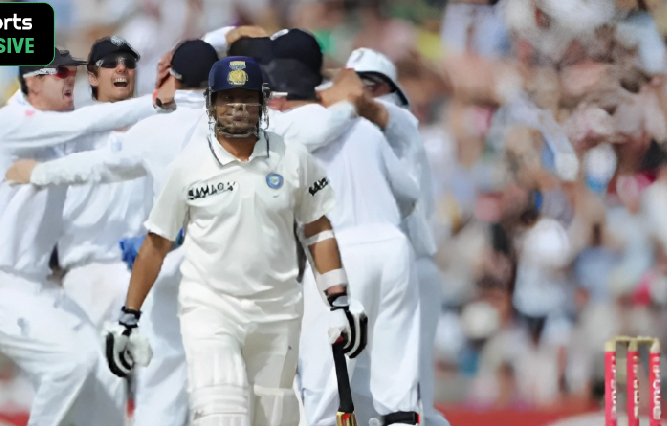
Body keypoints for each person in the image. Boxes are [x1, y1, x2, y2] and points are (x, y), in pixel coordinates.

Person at [104, 56, 367, 426]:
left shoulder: (292, 157)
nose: (238, 107)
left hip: (277, 311)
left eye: (247, 97)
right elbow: (156, 243)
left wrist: (339, 299)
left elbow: (318, 229)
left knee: (275, 418)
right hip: (211, 311)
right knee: (221, 413)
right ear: (211, 103)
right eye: (228, 98)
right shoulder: (189, 165)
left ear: (263, 102)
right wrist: (127, 319)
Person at [0, 47, 165, 426]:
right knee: (69, 364)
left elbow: (112, 161)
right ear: (33, 82)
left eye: (72, 71)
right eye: (59, 73)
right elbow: (89, 123)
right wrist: (157, 103)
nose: (70, 77)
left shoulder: (59, 135)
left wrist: (186, 105)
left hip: (37, 287)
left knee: (105, 369)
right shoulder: (9, 122)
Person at [262, 36, 423, 426]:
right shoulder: (365, 128)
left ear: (279, 99)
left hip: (337, 256)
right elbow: (408, 196)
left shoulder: (280, 130)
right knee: (398, 390)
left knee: (324, 386)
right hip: (393, 246)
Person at [346, 48, 450, 426]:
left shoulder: (400, 119)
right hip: (373, 266)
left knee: (412, 395)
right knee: (360, 389)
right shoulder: (350, 126)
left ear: (380, 86)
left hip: (411, 267)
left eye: (359, 84)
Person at [56, 36, 147, 330]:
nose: (121, 68)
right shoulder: (73, 132)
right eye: (110, 64)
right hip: (88, 272)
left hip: (140, 271)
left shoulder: (154, 130)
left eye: (128, 63)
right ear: (92, 77)